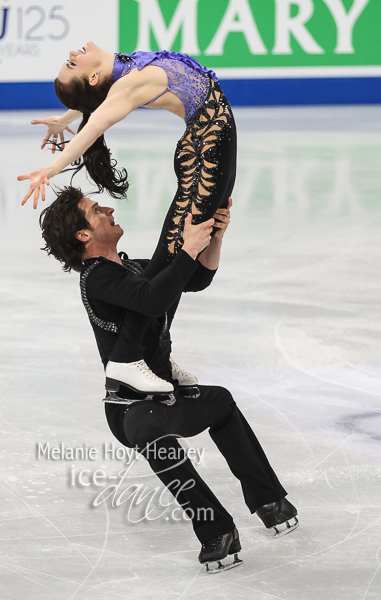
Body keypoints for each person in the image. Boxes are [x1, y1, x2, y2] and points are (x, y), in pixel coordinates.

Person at [38, 185, 298, 573]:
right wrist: (186, 251)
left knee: (221, 403)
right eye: (96, 210)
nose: (108, 209)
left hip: (168, 395)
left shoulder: (135, 267)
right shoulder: (97, 278)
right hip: (131, 407)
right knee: (147, 426)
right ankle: (216, 530)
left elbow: (193, 279)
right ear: (83, 235)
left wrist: (212, 241)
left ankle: (268, 500)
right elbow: (150, 300)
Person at [17, 41, 237, 395]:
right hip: (205, 156)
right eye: (71, 65)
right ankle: (131, 357)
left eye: (67, 61)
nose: (71, 54)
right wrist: (52, 168)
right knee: (168, 260)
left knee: (174, 261)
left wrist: (65, 117)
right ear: (91, 76)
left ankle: (154, 356)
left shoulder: (119, 73)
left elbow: (92, 102)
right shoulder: (128, 86)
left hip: (209, 146)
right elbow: (94, 128)